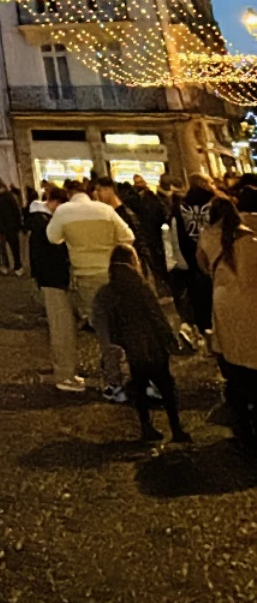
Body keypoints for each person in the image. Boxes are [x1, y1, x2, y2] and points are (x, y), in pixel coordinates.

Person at [91, 245, 191, 445]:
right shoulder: (141, 287)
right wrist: (169, 340)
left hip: (131, 351)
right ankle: (176, 429)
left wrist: (110, 349)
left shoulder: (106, 293)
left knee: (140, 387)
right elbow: (156, 316)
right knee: (166, 388)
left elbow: (101, 323)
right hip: (153, 348)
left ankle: (147, 427)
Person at [48, 176, 137, 401]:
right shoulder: (105, 211)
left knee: (103, 328)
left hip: (85, 275)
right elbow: (128, 237)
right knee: (120, 323)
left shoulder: (64, 212)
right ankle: (131, 374)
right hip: (111, 273)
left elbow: (52, 238)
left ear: (69, 194)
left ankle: (114, 382)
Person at [198, 189, 257, 448]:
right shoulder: (249, 238)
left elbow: (202, 266)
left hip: (223, 302)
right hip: (251, 302)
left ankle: (242, 427)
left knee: (234, 366)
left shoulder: (207, 238)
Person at [29, 183, 85, 392]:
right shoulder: (44, 223)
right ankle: (65, 376)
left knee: (63, 327)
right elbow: (51, 253)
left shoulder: (40, 220)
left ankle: (67, 373)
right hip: (53, 280)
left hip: (50, 279)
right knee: (62, 329)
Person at [176, 173, 218, 336]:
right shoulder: (216, 202)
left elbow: (176, 234)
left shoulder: (180, 207)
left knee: (199, 298)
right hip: (216, 256)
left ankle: (206, 332)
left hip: (191, 259)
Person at [0, 176, 23, 274]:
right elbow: (16, 211)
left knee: (7, 247)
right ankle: (15, 266)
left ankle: (11, 266)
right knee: (10, 247)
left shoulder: (0, 198)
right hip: (7, 226)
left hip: (5, 226)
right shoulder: (7, 196)